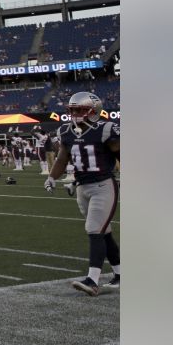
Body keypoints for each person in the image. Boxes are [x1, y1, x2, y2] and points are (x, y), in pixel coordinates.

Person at [45, 92, 121, 296]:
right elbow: (62, 158)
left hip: (103, 185)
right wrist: (52, 177)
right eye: (72, 110)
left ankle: (92, 281)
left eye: (79, 110)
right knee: (103, 232)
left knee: (94, 229)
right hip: (82, 187)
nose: (75, 114)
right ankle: (120, 274)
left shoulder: (106, 129)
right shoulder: (66, 131)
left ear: (93, 111)